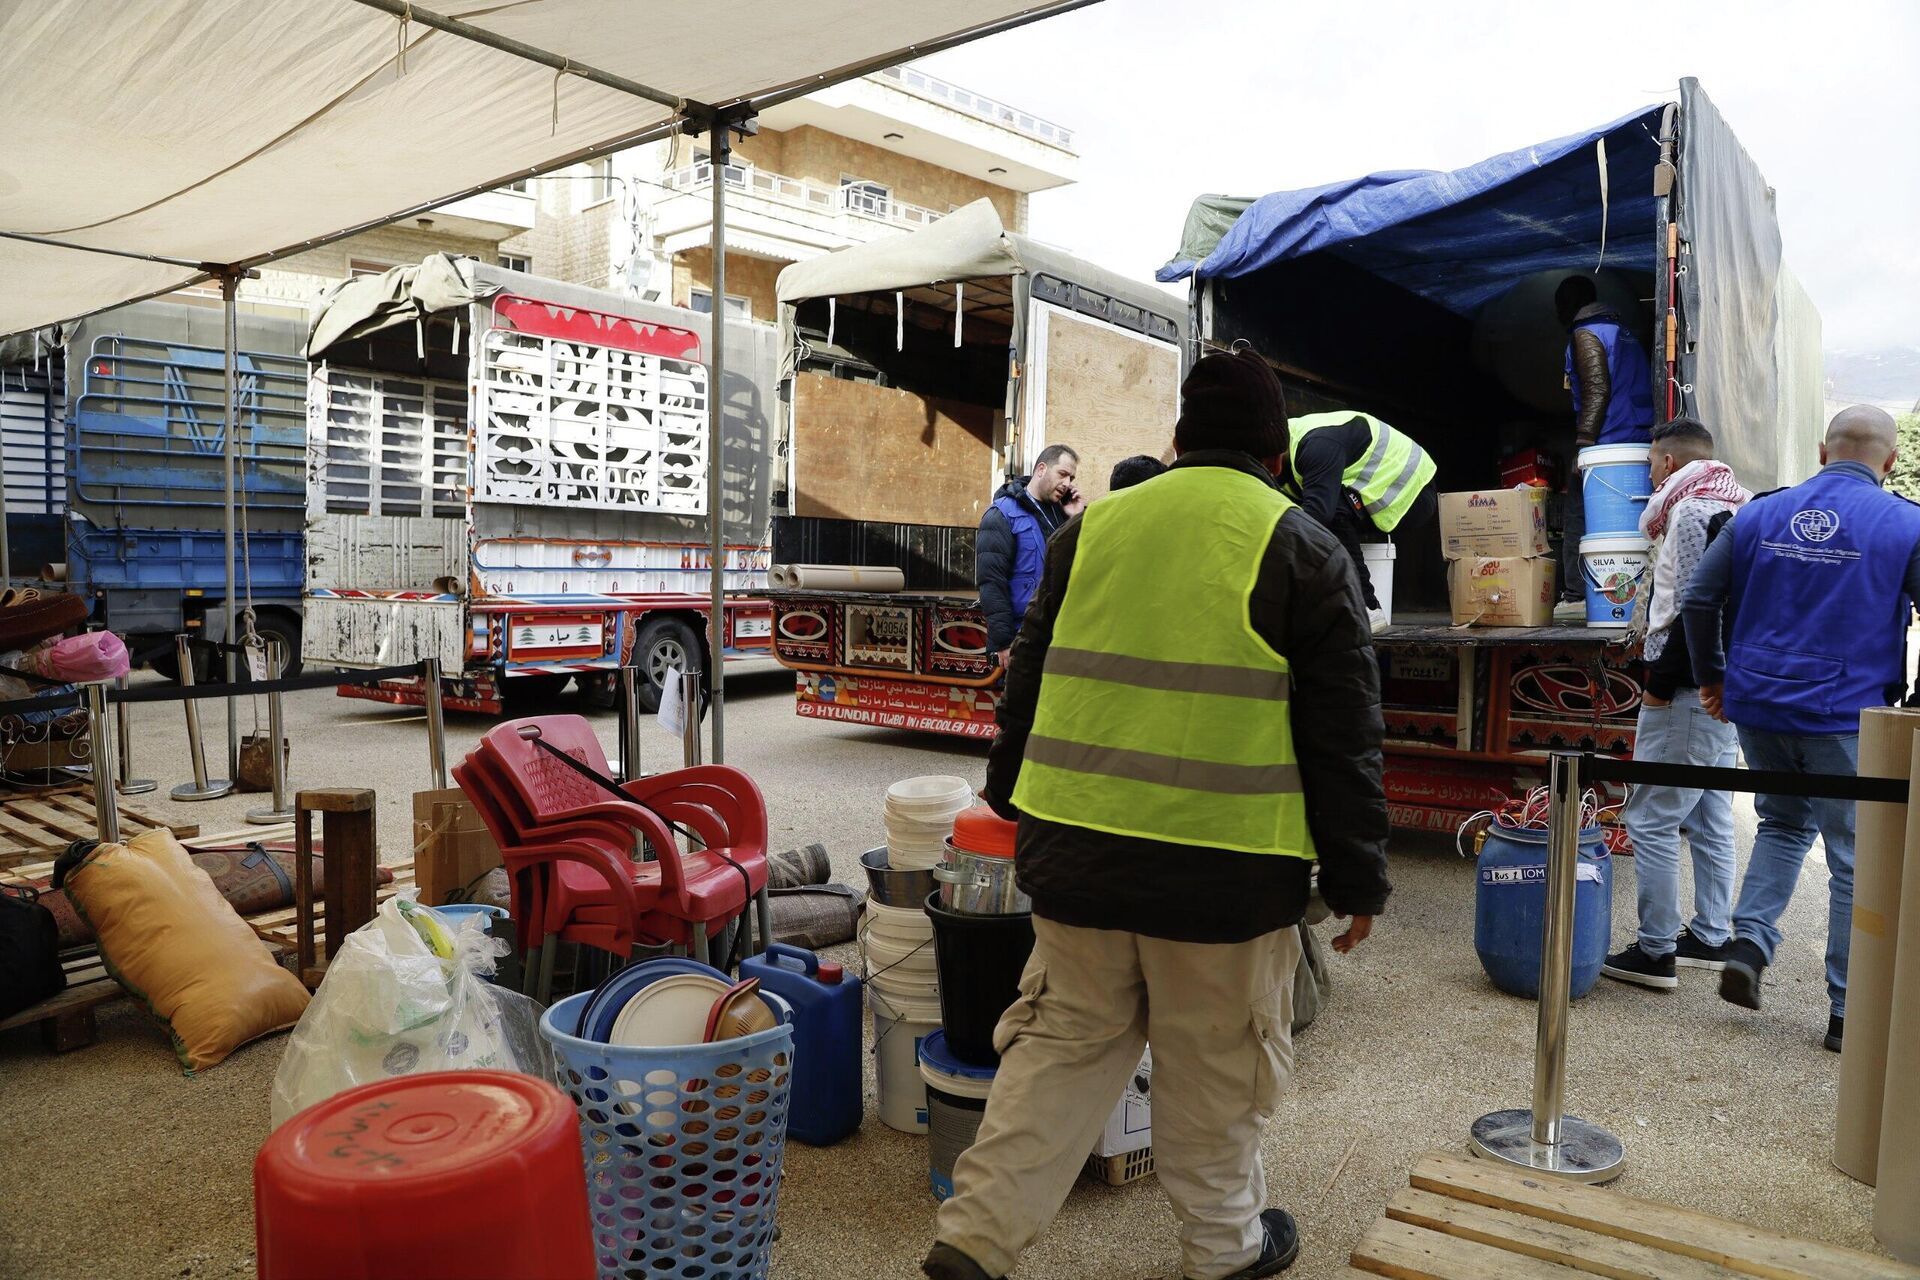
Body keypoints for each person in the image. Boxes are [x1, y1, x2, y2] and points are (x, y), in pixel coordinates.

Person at [922, 351, 1391, 1280]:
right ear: (1275, 453)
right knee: (1216, 1077)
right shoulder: (1298, 544)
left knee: (1054, 1060)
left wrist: (1007, 795)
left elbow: (1030, 683)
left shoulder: (1088, 532)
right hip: (1225, 881)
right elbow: (1344, 735)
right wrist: (1357, 877)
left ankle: (972, 1244)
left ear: (1176, 440)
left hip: (1076, 859)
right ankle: (1226, 1253)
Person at [1683, 405, 1920, 1052]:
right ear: (1891, 461)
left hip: (1757, 703)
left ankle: (1750, 943)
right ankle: (1847, 1010)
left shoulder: (1758, 513)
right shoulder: (1906, 523)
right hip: (1844, 714)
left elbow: (1700, 597)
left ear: (1822, 451)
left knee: (1782, 824)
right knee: (1851, 857)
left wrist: (1714, 677)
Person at [1600, 417, 1749, 990]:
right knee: (1710, 813)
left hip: (1686, 690)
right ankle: (1711, 936)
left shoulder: (1688, 511)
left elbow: (1694, 603)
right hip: (1722, 687)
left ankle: (1656, 950)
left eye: (1651, 463)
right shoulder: (1741, 504)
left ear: (1665, 463)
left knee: (1651, 818)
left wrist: (1660, 682)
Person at [1283, 409, 1437, 633]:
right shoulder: (1279, 456)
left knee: (1330, 511)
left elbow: (1317, 517)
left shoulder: (1318, 444)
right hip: (1375, 491)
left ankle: (1366, 606)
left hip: (1411, 490)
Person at [1555, 274, 1655, 614]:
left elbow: (1597, 391)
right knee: (1627, 523)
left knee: (1577, 513)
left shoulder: (1585, 335)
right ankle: (1628, 596)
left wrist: (1584, 445)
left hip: (1609, 443)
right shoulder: (1624, 334)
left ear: (1567, 307)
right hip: (1637, 438)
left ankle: (1575, 597)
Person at [978, 444, 1082, 669]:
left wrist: (1077, 519)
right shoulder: (1001, 514)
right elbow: (992, 583)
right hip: (1020, 638)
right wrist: (1004, 642)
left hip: (1057, 637)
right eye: (1062, 474)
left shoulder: (1062, 514)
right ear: (1041, 469)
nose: (1067, 483)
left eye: (1071, 478)